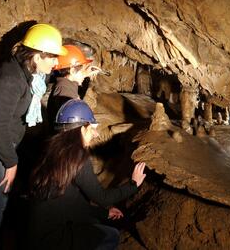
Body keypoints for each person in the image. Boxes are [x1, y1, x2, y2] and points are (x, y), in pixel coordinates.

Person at [0, 23, 67, 249]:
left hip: (3, 136)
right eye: (53, 57)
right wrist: (11, 162)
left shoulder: (31, 74)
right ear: (38, 56)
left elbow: (50, 81)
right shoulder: (8, 77)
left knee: (8, 194)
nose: (56, 62)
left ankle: (5, 237)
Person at [28, 99, 146, 250]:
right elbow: (103, 197)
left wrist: (103, 213)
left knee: (97, 226)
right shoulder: (78, 159)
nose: (96, 134)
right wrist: (133, 185)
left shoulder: (53, 151)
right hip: (52, 239)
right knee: (111, 236)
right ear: (82, 129)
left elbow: (71, 204)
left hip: (37, 233)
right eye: (92, 128)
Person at [46, 44, 102, 127]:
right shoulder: (64, 90)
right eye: (82, 70)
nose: (83, 73)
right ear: (72, 71)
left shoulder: (66, 84)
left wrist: (84, 74)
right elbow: (69, 124)